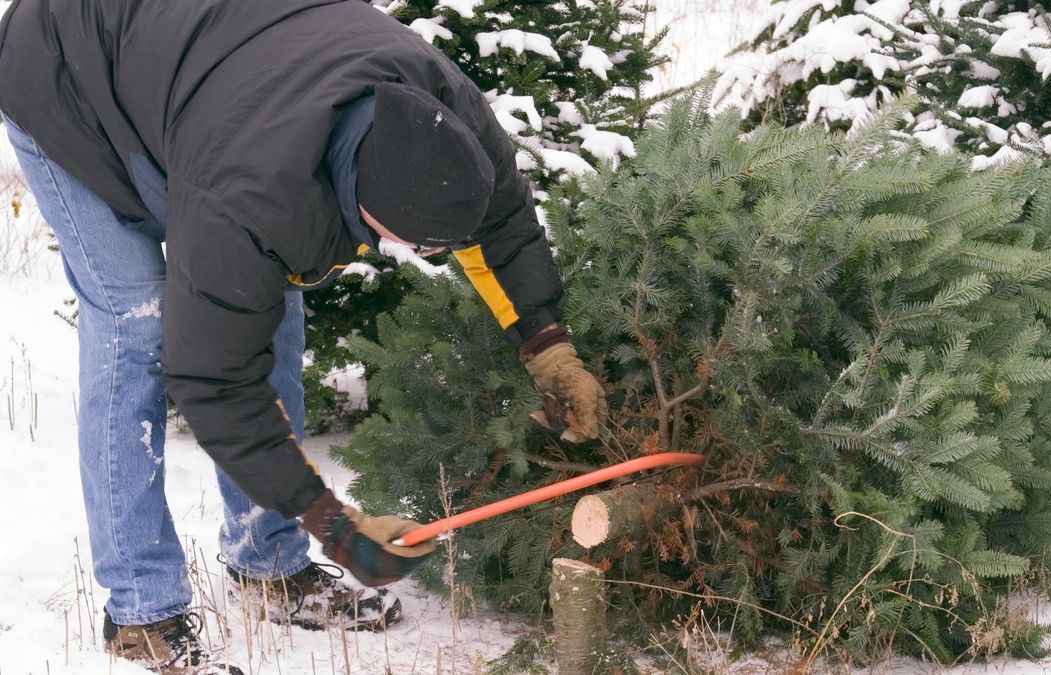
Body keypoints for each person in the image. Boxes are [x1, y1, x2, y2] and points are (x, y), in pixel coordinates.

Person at [0, 0, 607, 672]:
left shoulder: (443, 112)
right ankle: (142, 610)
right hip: (64, 72)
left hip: (208, 70)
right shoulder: (252, 196)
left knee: (274, 314)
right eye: (417, 243)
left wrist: (549, 347)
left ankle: (267, 563)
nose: (430, 256)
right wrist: (334, 525)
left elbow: (504, 224)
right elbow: (215, 381)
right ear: (367, 207)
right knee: (135, 325)